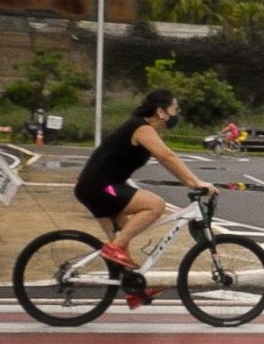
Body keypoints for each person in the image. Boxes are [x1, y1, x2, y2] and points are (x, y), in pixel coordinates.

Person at [74, 89, 217, 308]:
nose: (177, 113)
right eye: (175, 109)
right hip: (102, 187)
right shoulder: (142, 128)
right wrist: (195, 182)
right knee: (155, 205)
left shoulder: (144, 128)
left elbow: (165, 157)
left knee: (123, 239)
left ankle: (134, 291)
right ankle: (114, 248)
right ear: (161, 111)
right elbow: (167, 157)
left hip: (98, 186)